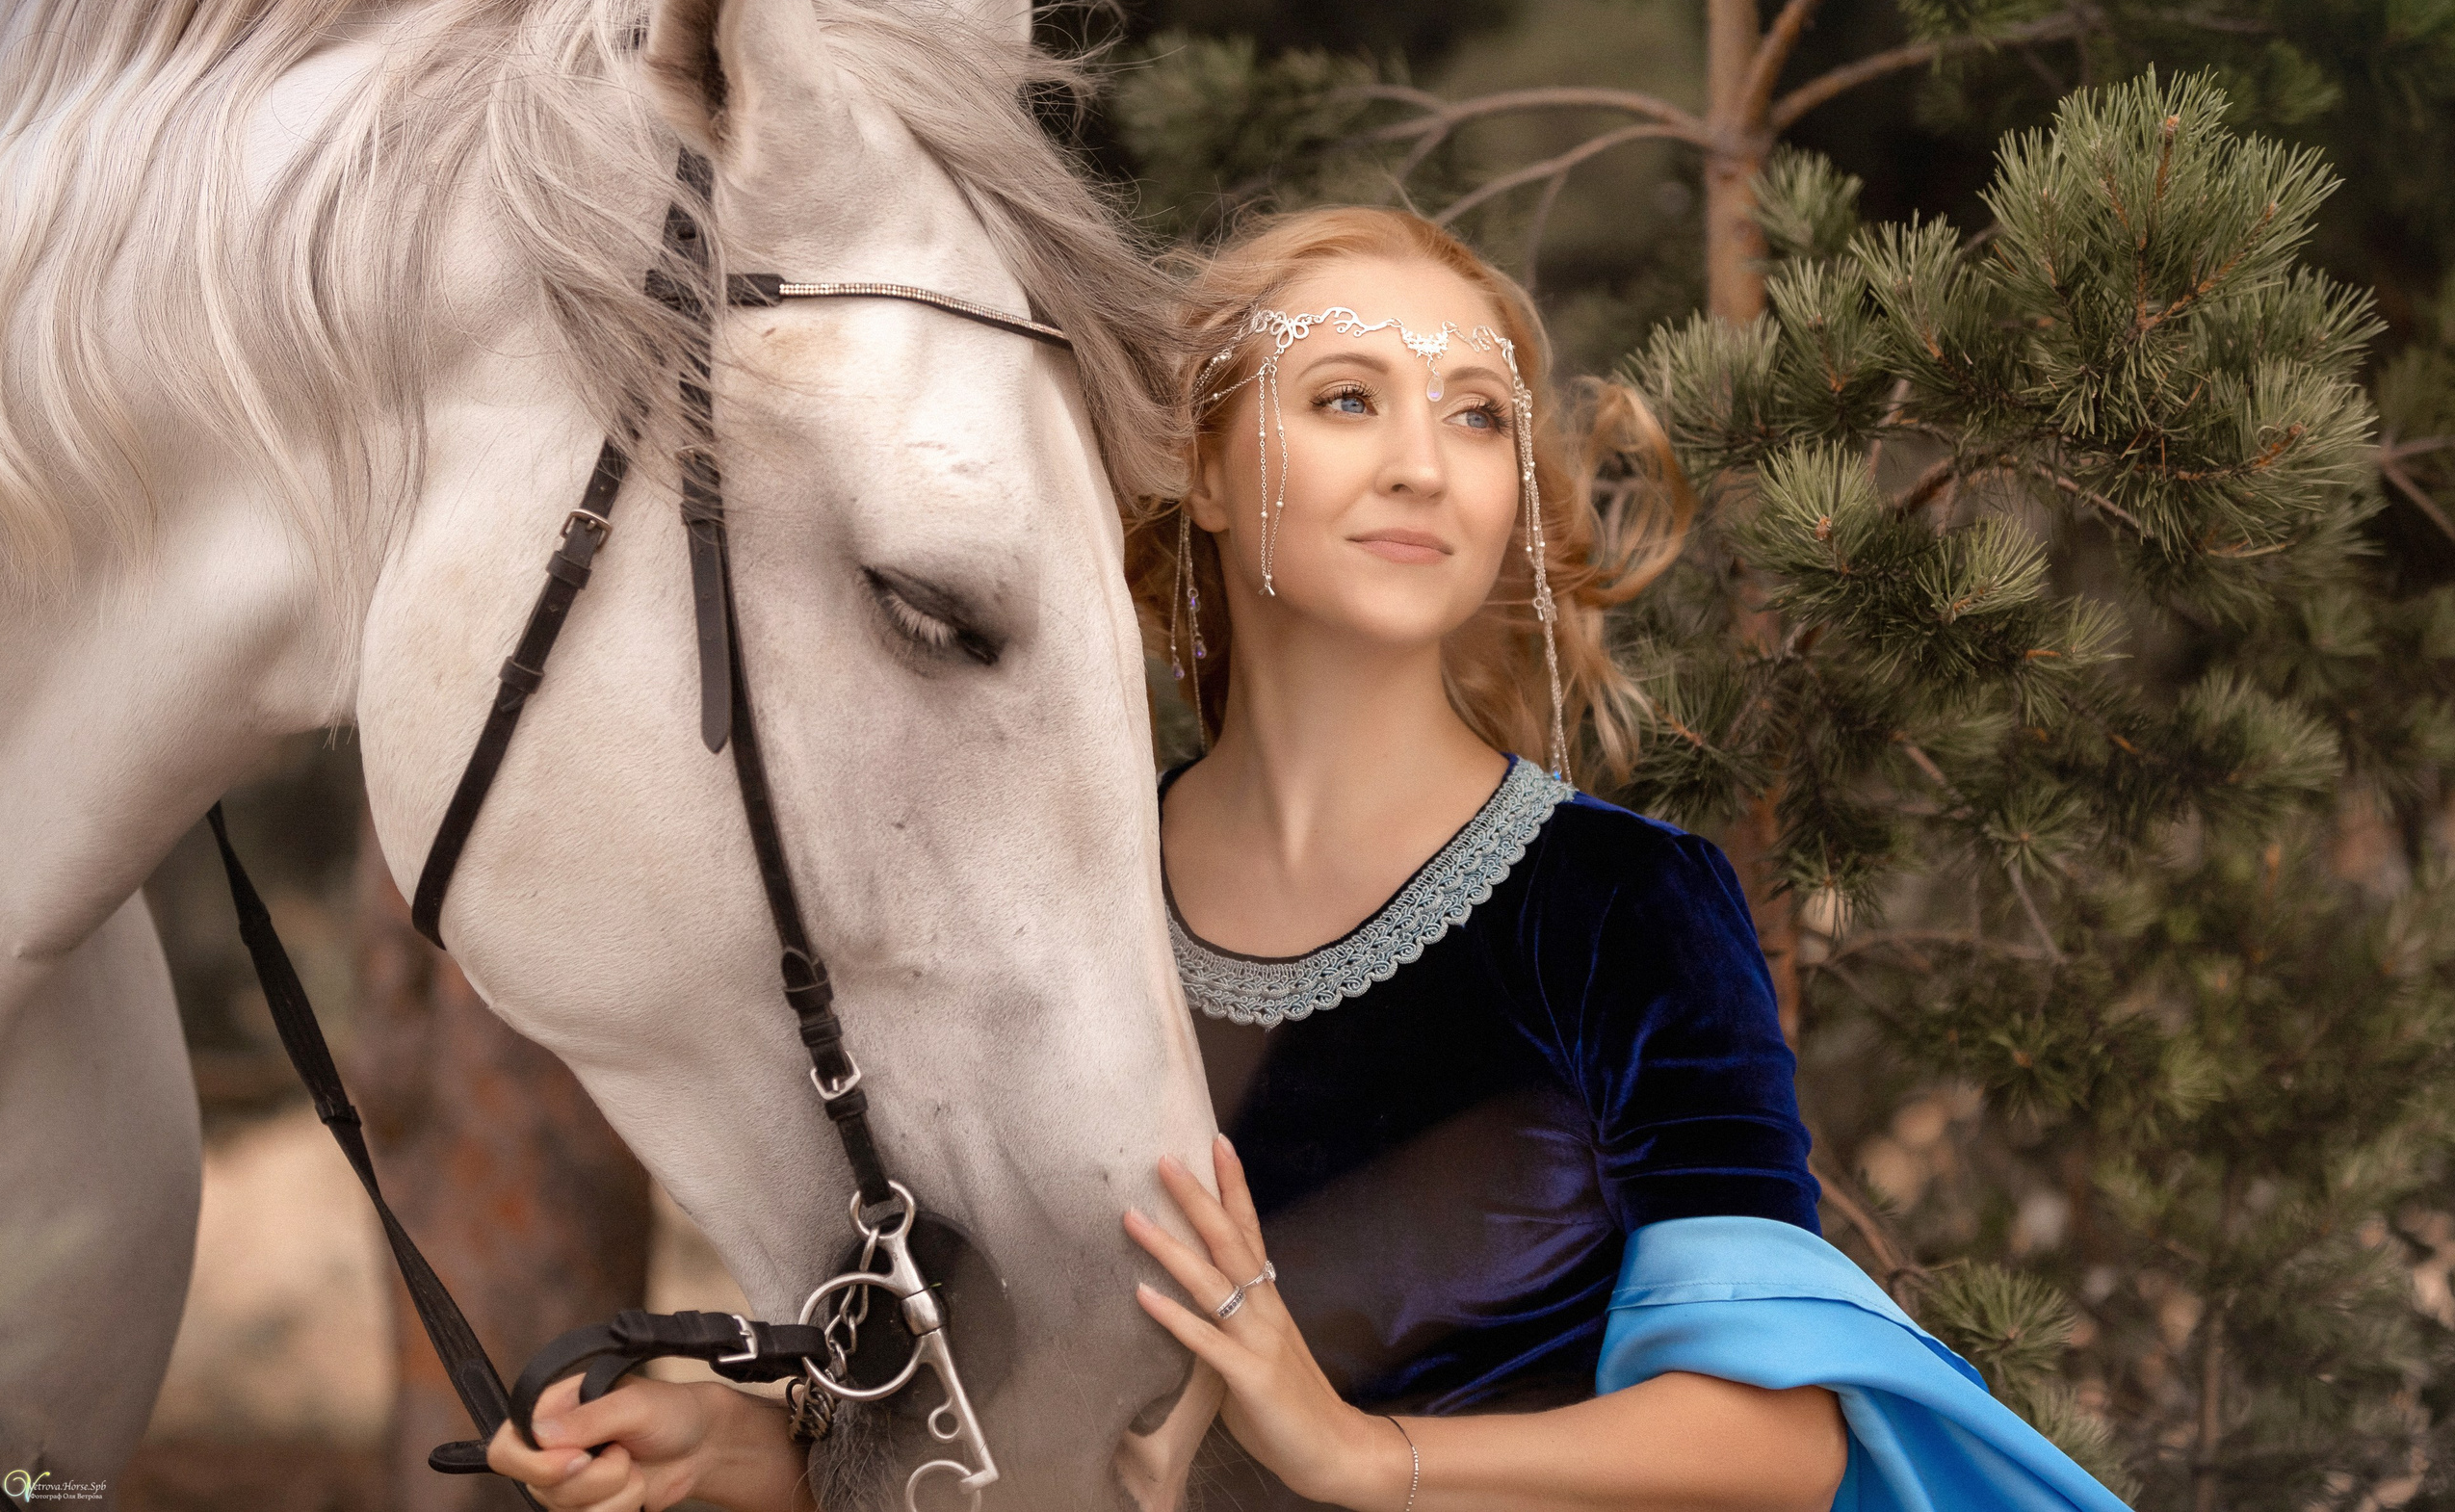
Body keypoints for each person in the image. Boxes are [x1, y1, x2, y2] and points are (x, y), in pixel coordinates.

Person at [488, 209, 2134, 1512]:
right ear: (1203, 469)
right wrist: (764, 1456)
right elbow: (991, 1415)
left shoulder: (1623, 911)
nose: (1424, 460)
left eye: (1478, 415)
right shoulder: (1036, 891)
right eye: (1347, 398)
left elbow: (1779, 1447)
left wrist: (1357, 1455)